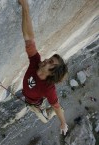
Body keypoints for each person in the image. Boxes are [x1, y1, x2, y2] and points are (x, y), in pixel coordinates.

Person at [18, 0, 68, 135]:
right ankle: (47, 111)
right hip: (30, 100)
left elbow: (57, 107)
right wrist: (25, 6)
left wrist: (63, 123)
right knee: (48, 110)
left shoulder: (48, 88)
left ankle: (48, 113)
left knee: (46, 119)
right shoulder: (35, 61)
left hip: (35, 103)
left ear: (51, 73)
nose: (45, 60)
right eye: (49, 59)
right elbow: (29, 38)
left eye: (50, 62)